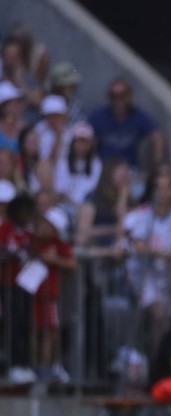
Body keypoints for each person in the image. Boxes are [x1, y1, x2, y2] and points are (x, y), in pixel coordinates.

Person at [125, 167, 171, 358]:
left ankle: (164, 361)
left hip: (169, 275)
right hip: (147, 275)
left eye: (166, 188)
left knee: (169, 321)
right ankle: (155, 360)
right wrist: (157, 253)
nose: (162, 192)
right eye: (159, 187)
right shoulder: (145, 214)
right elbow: (139, 245)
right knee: (158, 315)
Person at [32, 207, 76, 382]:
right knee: (34, 329)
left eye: (48, 225)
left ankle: (47, 366)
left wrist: (54, 260)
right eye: (43, 222)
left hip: (49, 295)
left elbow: (72, 265)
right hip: (32, 293)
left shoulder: (59, 245)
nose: (43, 227)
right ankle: (35, 365)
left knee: (49, 330)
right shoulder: (33, 241)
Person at [88, 78, 167, 170]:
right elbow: (86, 140)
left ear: (129, 96)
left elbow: (158, 137)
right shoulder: (98, 116)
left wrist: (155, 166)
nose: (118, 100)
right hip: (102, 168)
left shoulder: (137, 116)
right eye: (114, 96)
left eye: (122, 95)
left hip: (129, 169)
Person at [0, 192, 37, 383]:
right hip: (7, 284)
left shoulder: (31, 232)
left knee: (25, 324)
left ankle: (25, 363)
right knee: (12, 325)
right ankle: (13, 364)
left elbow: (37, 250)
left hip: (27, 285)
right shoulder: (5, 228)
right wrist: (12, 255)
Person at [54, 121, 101, 208]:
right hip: (65, 205)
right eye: (79, 141)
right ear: (73, 142)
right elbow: (59, 189)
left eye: (85, 141)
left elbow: (93, 189)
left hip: (87, 207)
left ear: (91, 144)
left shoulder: (96, 164)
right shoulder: (63, 162)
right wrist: (73, 204)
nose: (81, 145)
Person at [0, 81, 25, 153]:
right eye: (14, 104)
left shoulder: (24, 129)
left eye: (19, 103)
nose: (19, 107)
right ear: (3, 108)